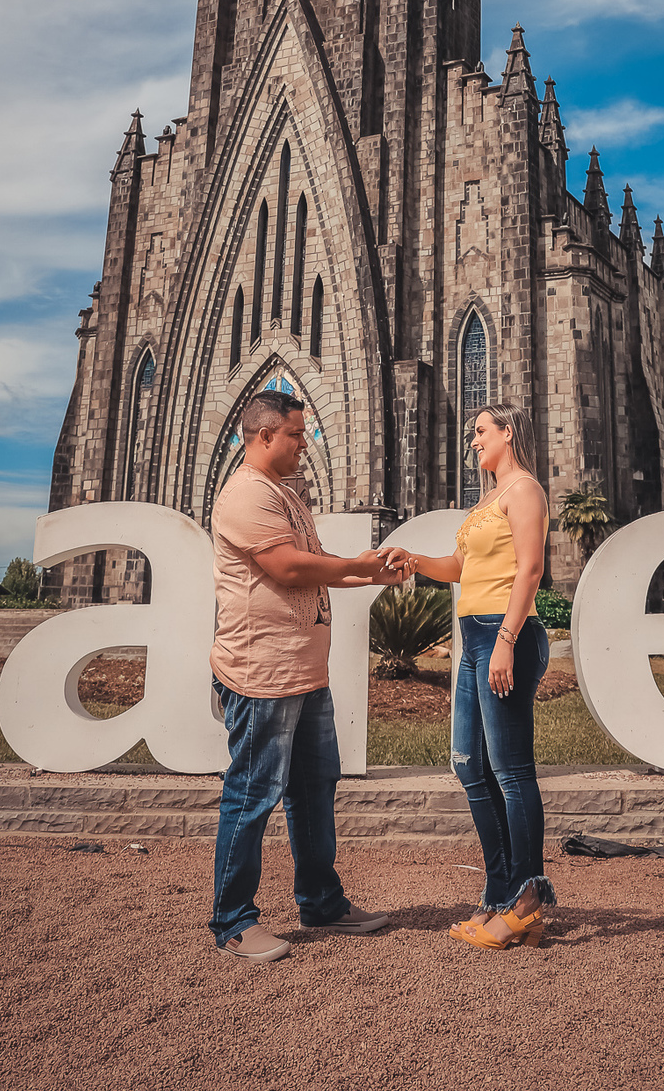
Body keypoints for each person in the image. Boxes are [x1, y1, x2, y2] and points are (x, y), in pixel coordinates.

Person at [208, 388, 409, 965]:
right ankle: (233, 922)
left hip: (304, 673)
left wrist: (372, 574)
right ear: (264, 434)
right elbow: (288, 567)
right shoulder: (246, 494)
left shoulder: (286, 496)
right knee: (252, 794)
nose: (305, 443)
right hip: (260, 673)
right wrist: (359, 567)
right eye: (297, 434)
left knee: (315, 790)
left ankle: (322, 902)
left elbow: (317, 572)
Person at [382, 404, 554, 950]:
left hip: (506, 635)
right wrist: (413, 560)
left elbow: (530, 569)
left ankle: (529, 897)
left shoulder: (524, 490)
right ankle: (500, 892)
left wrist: (506, 639)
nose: (473, 439)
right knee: (470, 767)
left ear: (508, 433)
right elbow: (459, 569)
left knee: (510, 769)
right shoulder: (487, 500)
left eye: (481, 431)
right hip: (474, 638)